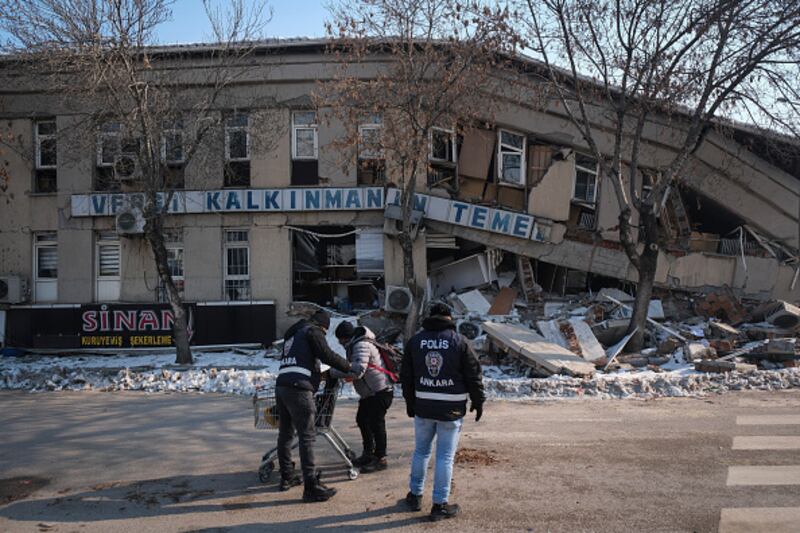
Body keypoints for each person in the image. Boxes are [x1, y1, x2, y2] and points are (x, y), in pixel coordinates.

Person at [401, 302, 485, 522]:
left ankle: (415, 496)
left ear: (430, 317)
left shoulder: (415, 341)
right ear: (449, 317)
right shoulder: (460, 341)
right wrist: (478, 401)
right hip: (451, 408)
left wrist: (410, 402)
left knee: (421, 452)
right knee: (445, 457)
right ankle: (439, 504)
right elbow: (473, 374)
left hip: (423, 406)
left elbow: (406, 376)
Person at [276, 309, 352, 502]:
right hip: (299, 389)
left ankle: (286, 476)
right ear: (323, 326)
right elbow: (326, 355)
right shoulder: (313, 331)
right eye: (325, 331)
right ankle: (311, 486)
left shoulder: (293, 334)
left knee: (285, 433)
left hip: (282, 386)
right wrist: (348, 366)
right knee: (307, 436)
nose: (324, 334)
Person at [332, 321, 394, 473]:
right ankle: (368, 453)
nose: (340, 343)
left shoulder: (361, 345)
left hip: (380, 391)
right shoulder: (355, 344)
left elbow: (358, 370)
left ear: (346, 337)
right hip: (371, 392)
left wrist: (331, 373)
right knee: (362, 419)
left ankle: (381, 458)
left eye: (341, 340)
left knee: (376, 424)